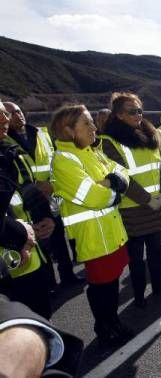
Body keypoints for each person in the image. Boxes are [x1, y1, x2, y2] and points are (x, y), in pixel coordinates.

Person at [50, 104, 133, 346]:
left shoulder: (92, 151)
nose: (94, 127)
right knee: (101, 287)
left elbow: (122, 173)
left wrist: (107, 183)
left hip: (112, 231)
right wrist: (113, 189)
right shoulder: (64, 159)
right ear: (68, 130)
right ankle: (104, 329)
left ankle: (113, 322)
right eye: (86, 123)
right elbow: (92, 197)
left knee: (112, 283)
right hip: (93, 237)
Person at [100, 93, 161, 309]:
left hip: (156, 205)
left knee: (156, 252)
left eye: (140, 110)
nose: (138, 115)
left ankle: (160, 286)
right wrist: (147, 200)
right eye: (132, 111)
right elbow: (121, 177)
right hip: (132, 210)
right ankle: (139, 295)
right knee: (135, 259)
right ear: (118, 115)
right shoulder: (109, 142)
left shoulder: (150, 133)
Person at [3, 102, 83, 288]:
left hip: (52, 194)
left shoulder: (43, 134)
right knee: (41, 241)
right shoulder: (7, 142)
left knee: (58, 236)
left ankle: (68, 275)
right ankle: (50, 284)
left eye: (18, 111)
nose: (17, 115)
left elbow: (56, 160)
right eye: (11, 113)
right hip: (30, 200)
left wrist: (53, 185)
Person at [0, 101, 52, 319]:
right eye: (0, 116)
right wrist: (20, 235)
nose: (5, 120)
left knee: (40, 316)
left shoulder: (9, 154)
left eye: (5, 114)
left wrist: (46, 216)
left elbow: (27, 189)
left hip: (30, 257)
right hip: (9, 266)